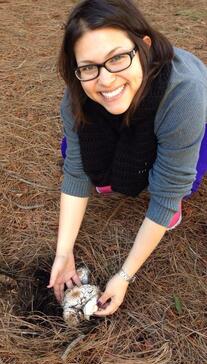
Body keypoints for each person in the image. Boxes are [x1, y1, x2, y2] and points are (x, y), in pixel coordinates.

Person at [48, 0, 207, 317]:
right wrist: (63, 252)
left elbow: (166, 191)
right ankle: (122, 172)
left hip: (190, 122)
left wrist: (123, 276)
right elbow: (77, 171)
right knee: (72, 150)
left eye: (117, 58)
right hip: (128, 115)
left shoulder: (183, 93)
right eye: (89, 67)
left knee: (180, 181)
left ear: (143, 47)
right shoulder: (78, 93)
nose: (105, 80)